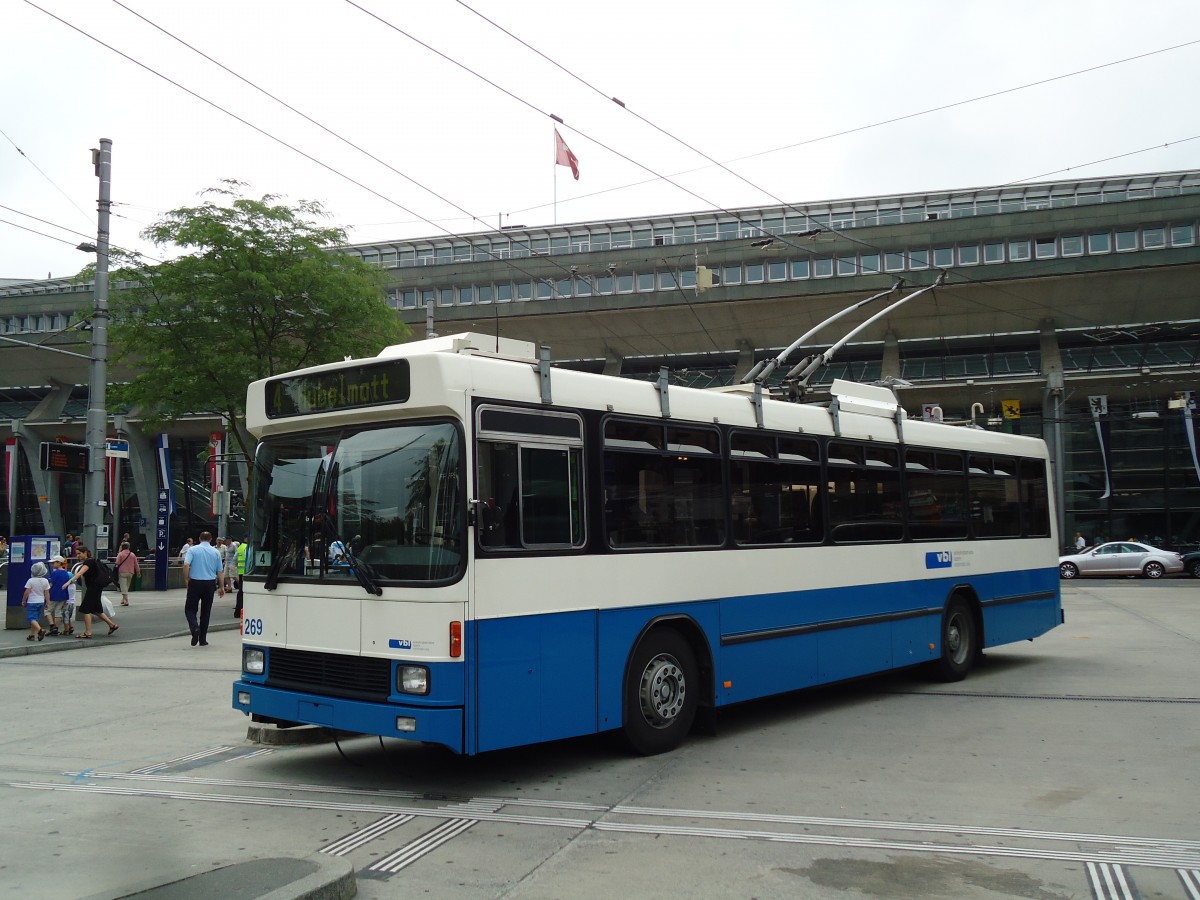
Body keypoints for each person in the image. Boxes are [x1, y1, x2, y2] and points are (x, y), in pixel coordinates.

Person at [65, 545, 119, 639]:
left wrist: (69, 582)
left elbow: (80, 573)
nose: (78, 556)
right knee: (97, 610)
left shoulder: (88, 562)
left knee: (85, 610)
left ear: (85, 552)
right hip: (97, 588)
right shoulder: (93, 560)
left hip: (93, 588)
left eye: (79, 553)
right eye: (77, 554)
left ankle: (88, 632)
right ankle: (112, 625)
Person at [183, 531, 224, 647]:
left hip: (195, 582)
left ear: (199, 539)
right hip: (210, 583)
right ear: (211, 540)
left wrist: (186, 579)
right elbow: (220, 571)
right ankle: (203, 639)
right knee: (206, 611)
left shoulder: (192, 550)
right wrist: (221, 587)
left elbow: (186, 565)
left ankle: (195, 628)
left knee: (190, 609)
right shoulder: (216, 552)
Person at [22, 561, 50, 641]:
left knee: (31, 618)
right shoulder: (45, 581)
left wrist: (23, 600)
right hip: (41, 601)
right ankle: (32, 635)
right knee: (36, 618)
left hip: (32, 601)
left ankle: (40, 630)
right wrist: (48, 603)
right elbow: (47, 593)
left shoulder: (31, 580)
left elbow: (27, 592)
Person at [46, 555, 71, 636]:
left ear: (59, 563)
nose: (52, 564)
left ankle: (52, 626)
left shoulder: (54, 573)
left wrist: (46, 595)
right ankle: (56, 628)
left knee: (47, 611)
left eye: (54, 563)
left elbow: (50, 584)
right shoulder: (66, 573)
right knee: (58, 612)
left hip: (53, 595)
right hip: (63, 595)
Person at [115, 541, 140, 606]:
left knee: (123, 586)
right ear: (128, 547)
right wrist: (138, 572)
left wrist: (119, 551)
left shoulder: (120, 554)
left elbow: (117, 563)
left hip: (122, 572)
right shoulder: (132, 554)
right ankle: (123, 599)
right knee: (126, 586)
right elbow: (136, 564)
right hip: (130, 572)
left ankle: (126, 600)